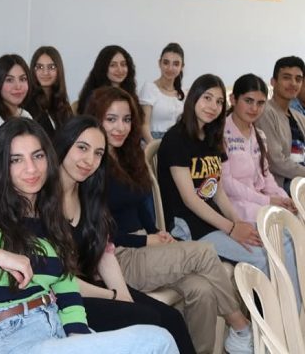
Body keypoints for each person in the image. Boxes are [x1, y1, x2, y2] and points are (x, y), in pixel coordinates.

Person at [0, 118, 179, 354]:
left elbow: (66, 289)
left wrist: (80, 336)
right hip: (13, 336)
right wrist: (0, 256)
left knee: (149, 336)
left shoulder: (49, 215)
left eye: (37, 156)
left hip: (52, 328)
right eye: (16, 160)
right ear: (2, 166)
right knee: (158, 340)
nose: (31, 169)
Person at [84, 85, 253, 354]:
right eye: (111, 119)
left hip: (144, 248)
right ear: (96, 119)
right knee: (205, 252)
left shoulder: (127, 156)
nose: (120, 128)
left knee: (202, 290)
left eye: (126, 120)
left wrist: (156, 232)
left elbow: (140, 207)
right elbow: (96, 232)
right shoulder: (90, 165)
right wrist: (145, 241)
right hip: (118, 257)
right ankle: (241, 326)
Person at [54, 115, 196, 353]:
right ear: (63, 145)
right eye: (82, 148)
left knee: (171, 318)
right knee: (147, 320)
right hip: (63, 299)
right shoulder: (43, 198)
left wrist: (123, 295)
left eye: (98, 153)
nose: (89, 160)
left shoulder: (89, 193)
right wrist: (113, 296)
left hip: (93, 285)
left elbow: (105, 252)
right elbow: (55, 279)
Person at [157, 74, 300, 304]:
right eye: (207, 98)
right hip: (189, 228)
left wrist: (238, 223)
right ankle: (271, 320)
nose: (213, 106)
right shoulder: (176, 139)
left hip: (215, 223)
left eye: (218, 101)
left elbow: (219, 192)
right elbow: (190, 199)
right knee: (263, 258)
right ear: (193, 98)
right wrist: (232, 228)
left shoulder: (212, 137)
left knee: (282, 243)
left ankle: (293, 314)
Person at [223, 73, 296, 222]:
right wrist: (267, 201)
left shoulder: (260, 136)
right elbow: (226, 183)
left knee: (295, 214)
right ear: (233, 99)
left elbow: (266, 175)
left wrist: (283, 198)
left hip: (259, 200)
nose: (254, 108)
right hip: (232, 204)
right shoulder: (220, 134)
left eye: (261, 103)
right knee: (276, 221)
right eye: (248, 101)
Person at [256, 56, 305, 193]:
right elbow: (275, 162)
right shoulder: (265, 112)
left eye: (298, 79)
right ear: (273, 82)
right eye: (286, 78)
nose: (293, 83)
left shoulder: (299, 117)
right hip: (281, 186)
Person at [77, 45, 141, 116]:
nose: (120, 70)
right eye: (113, 65)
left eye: (123, 64)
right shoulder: (94, 98)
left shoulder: (131, 94)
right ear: (103, 68)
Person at [140, 43, 185, 143]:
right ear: (159, 63)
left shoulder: (182, 93)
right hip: (152, 142)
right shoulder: (149, 88)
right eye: (166, 63)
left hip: (175, 142)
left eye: (176, 64)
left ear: (182, 67)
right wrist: (154, 148)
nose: (170, 68)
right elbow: (144, 125)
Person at [25, 46, 73, 138]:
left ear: (59, 70)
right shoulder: (27, 104)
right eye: (40, 67)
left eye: (51, 67)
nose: (45, 72)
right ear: (33, 70)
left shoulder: (63, 105)